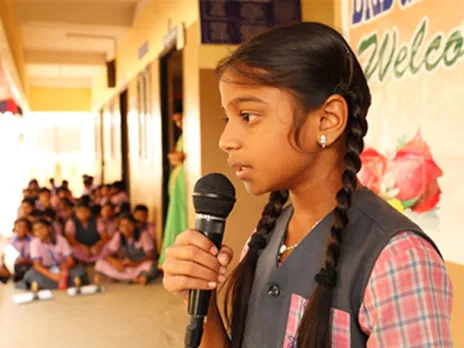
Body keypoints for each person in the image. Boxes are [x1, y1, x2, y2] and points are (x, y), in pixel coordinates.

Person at [162, 22, 453, 347]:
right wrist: (201, 297)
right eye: (226, 119)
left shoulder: (399, 261)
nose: (226, 140)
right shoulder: (264, 239)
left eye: (248, 115)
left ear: (327, 120)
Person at [18, 218, 87, 290]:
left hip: (62, 268)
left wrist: (64, 270)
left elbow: (70, 260)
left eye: (41, 228)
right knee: (30, 275)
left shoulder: (61, 240)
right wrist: (52, 276)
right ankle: (64, 284)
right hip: (46, 270)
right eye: (35, 230)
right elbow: (37, 265)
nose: (38, 232)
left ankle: (54, 285)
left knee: (79, 271)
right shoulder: (34, 243)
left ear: (50, 228)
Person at [158, 104, 187, 265]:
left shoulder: (190, 135)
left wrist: (175, 157)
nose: (178, 124)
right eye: (175, 121)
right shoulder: (182, 136)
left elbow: (178, 156)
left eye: (179, 119)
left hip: (183, 183)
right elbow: (174, 156)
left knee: (182, 216)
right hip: (177, 182)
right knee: (175, 215)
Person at [95, 213, 157, 285]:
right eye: (122, 225)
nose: (126, 228)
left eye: (129, 224)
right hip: (125, 266)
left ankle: (119, 277)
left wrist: (134, 264)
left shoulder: (143, 234)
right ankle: (135, 278)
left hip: (139, 265)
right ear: (119, 227)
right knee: (99, 263)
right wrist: (114, 261)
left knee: (153, 265)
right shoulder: (118, 235)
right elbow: (108, 253)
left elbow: (151, 256)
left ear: (134, 224)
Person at [0, 218, 33, 283]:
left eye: (25, 227)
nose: (22, 229)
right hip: (14, 266)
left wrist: (28, 261)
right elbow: (5, 257)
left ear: (28, 229)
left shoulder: (33, 241)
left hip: (28, 266)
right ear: (15, 228)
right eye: (19, 226)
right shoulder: (10, 241)